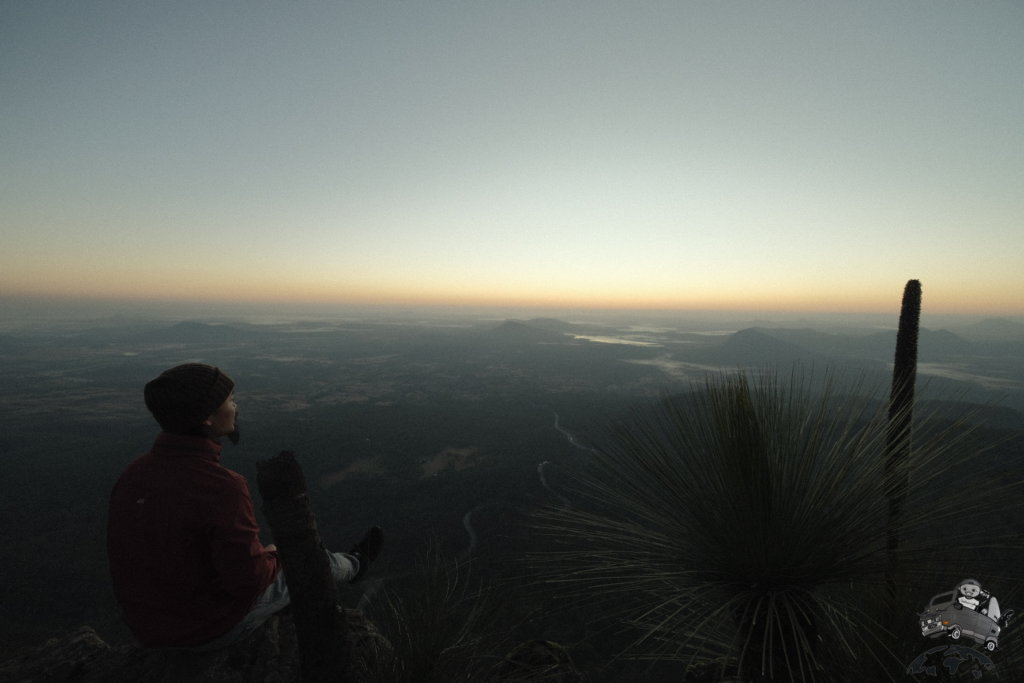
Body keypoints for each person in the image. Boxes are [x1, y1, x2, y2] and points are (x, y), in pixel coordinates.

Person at [107, 363, 382, 649]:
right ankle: (355, 565)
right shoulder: (221, 486)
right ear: (207, 418)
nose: (235, 406)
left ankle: (348, 563)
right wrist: (275, 557)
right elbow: (249, 582)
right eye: (230, 400)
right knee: (306, 559)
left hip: (148, 629)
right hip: (205, 629)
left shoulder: (132, 475)